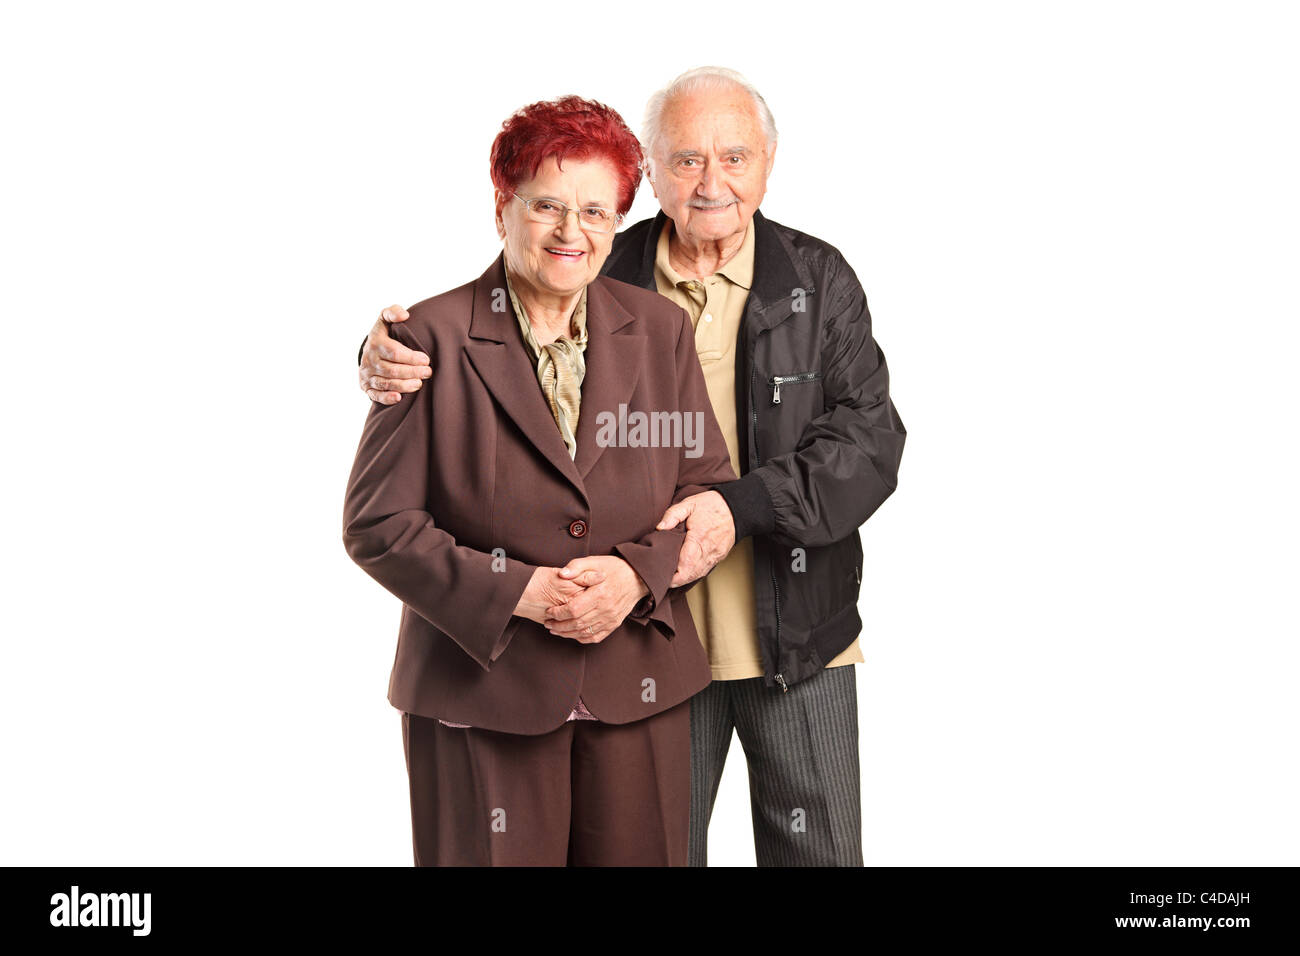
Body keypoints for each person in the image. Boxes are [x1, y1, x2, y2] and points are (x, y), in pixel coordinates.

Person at [359, 67, 907, 867]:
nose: (711, 180)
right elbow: (487, 327)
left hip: (792, 627)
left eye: (734, 156)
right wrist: (378, 355)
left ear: (770, 161)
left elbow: (869, 440)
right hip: (648, 645)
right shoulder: (605, 264)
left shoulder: (818, 281)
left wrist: (742, 506)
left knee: (817, 854)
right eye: (686, 159)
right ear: (650, 172)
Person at [342, 95, 737, 866]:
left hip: (638, 689)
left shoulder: (660, 332)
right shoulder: (428, 339)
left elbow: (705, 490)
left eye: (596, 211)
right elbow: (378, 526)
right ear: (503, 208)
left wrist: (635, 578)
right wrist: (519, 592)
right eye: (548, 205)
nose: (571, 232)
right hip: (480, 695)